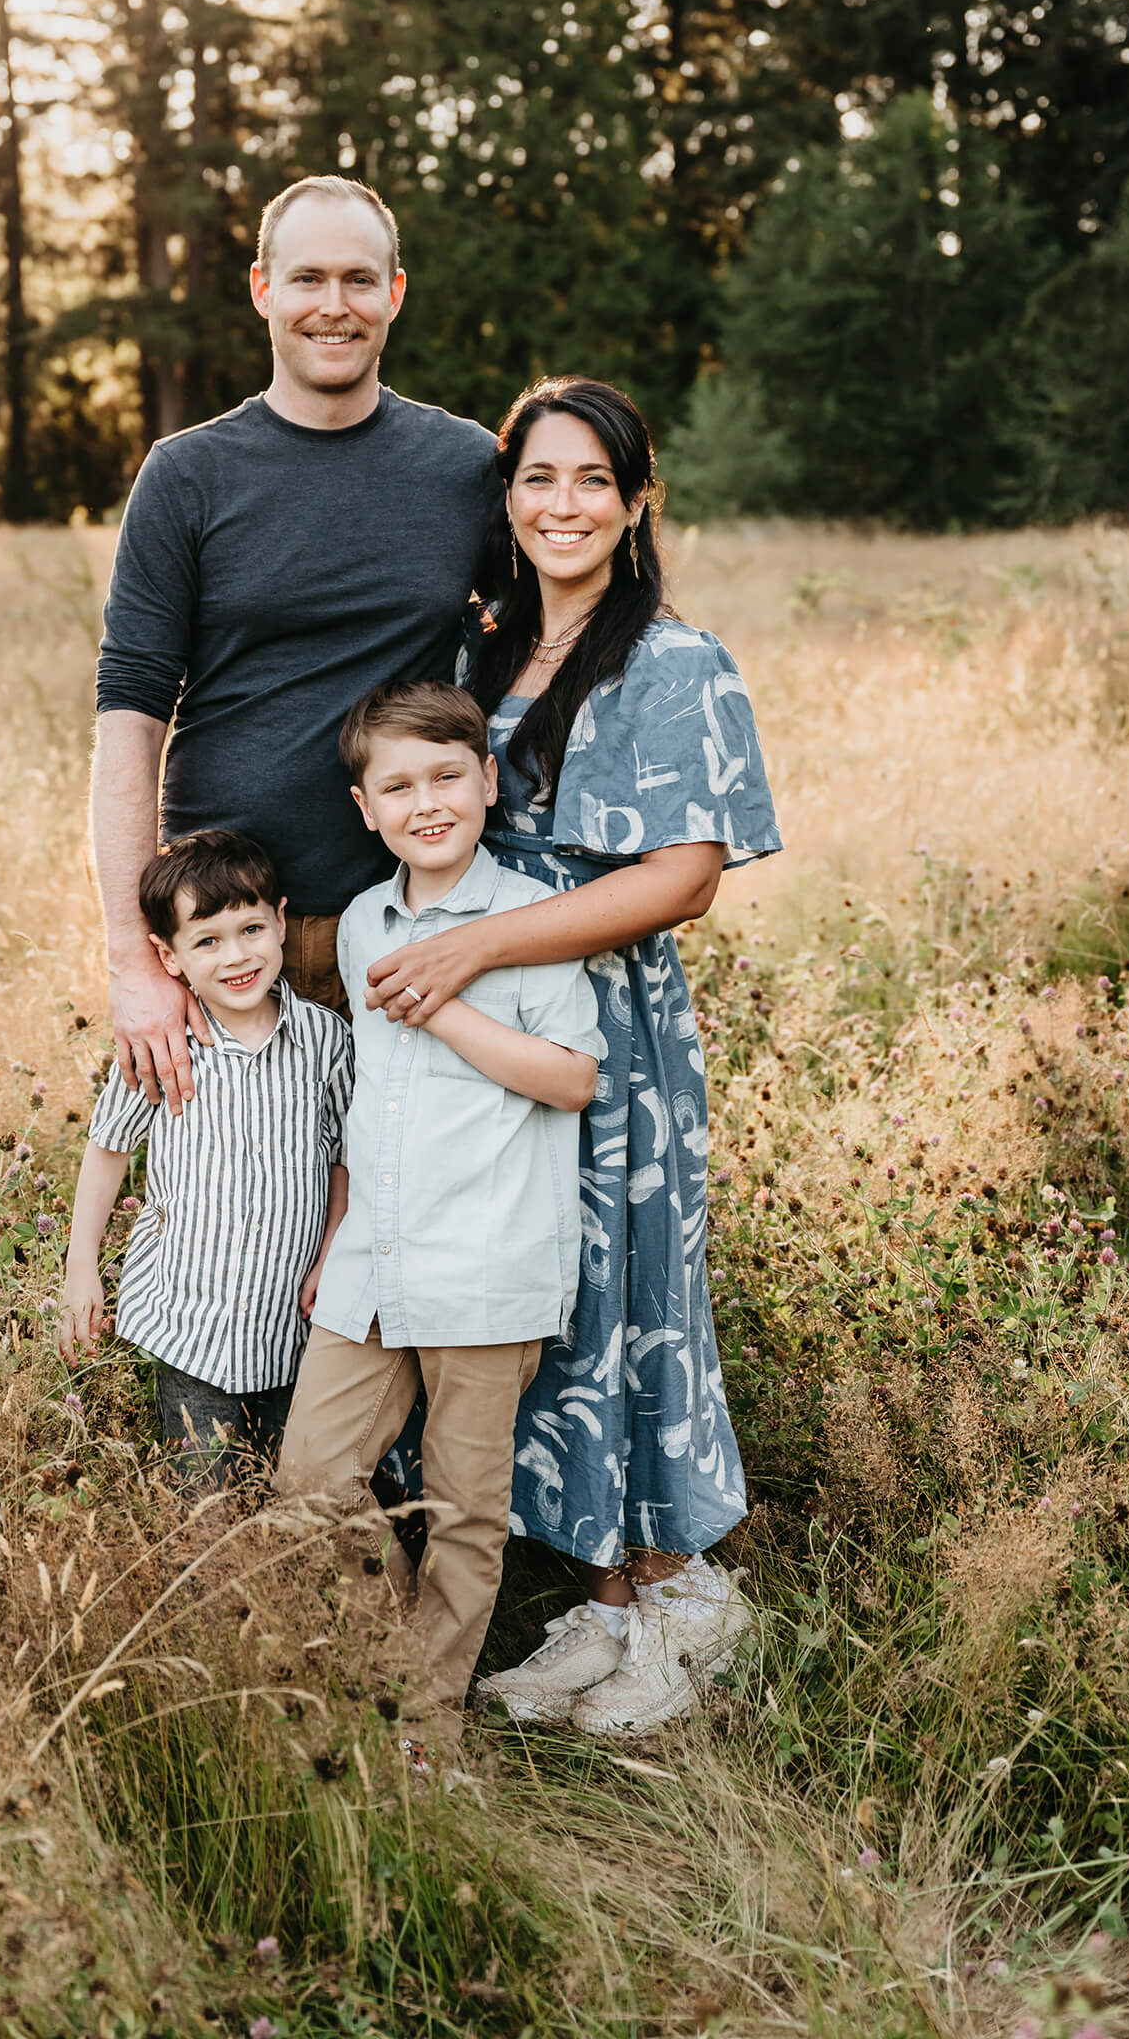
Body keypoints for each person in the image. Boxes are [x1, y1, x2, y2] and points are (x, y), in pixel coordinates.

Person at [360, 377, 782, 1737]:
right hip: (490, 1041)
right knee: (553, 1306)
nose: (562, 505)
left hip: (605, 1024)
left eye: (592, 480)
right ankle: (599, 1603)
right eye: (537, 479)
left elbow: (680, 878)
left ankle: (681, 1600)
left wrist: (483, 948)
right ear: (507, 496)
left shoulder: (674, 659)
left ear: (635, 499)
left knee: (636, 1296)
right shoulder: (478, 657)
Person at [90, 176, 497, 1104]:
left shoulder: (467, 466)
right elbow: (129, 723)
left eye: (359, 280)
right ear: (262, 289)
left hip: (410, 922)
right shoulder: (185, 476)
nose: (333, 305)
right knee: (237, 1228)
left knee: (402, 1223)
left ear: (394, 294)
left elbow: (545, 635)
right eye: (307, 278)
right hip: (230, 931)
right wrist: (134, 959)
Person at [275, 681, 601, 1748]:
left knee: (465, 1508)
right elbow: (371, 1099)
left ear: (487, 781)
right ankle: (387, 1669)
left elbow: (571, 1080)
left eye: (448, 776)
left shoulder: (528, 922)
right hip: (375, 1255)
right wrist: (338, 1233)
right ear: (365, 807)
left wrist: (450, 1002)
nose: (428, 802)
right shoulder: (367, 915)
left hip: (489, 1255)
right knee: (312, 1482)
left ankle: (425, 1727)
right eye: (399, 785)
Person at [59, 828, 354, 1487]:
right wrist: (82, 1267)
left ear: (280, 921)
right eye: (208, 941)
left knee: (294, 1491)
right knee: (201, 1496)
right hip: (190, 1322)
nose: (236, 956)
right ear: (168, 956)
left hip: (291, 1321)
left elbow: (343, 1156)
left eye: (250, 929)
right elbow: (108, 1147)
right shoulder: (163, 1045)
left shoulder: (324, 1041)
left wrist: (333, 1251)